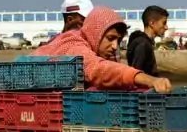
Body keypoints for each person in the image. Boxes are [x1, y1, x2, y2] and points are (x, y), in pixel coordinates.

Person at [38, 6, 171, 92]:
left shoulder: (93, 47)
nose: (115, 46)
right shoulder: (73, 44)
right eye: (110, 38)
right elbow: (98, 69)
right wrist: (150, 80)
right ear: (96, 34)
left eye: (118, 40)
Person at [126, 6, 168, 75]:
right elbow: (136, 74)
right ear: (152, 23)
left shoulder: (144, 42)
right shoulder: (143, 44)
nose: (166, 27)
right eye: (164, 23)